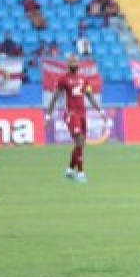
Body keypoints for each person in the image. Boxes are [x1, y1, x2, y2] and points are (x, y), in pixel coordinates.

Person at [45, 55, 105, 183]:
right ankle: (81, 173)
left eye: (75, 61)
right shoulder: (63, 79)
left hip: (82, 114)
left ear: (78, 64)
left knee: (81, 144)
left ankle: (70, 169)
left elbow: (89, 96)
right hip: (71, 114)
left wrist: (100, 110)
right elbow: (55, 98)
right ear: (68, 64)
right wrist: (48, 115)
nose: (73, 64)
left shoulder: (84, 79)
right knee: (79, 141)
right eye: (71, 62)